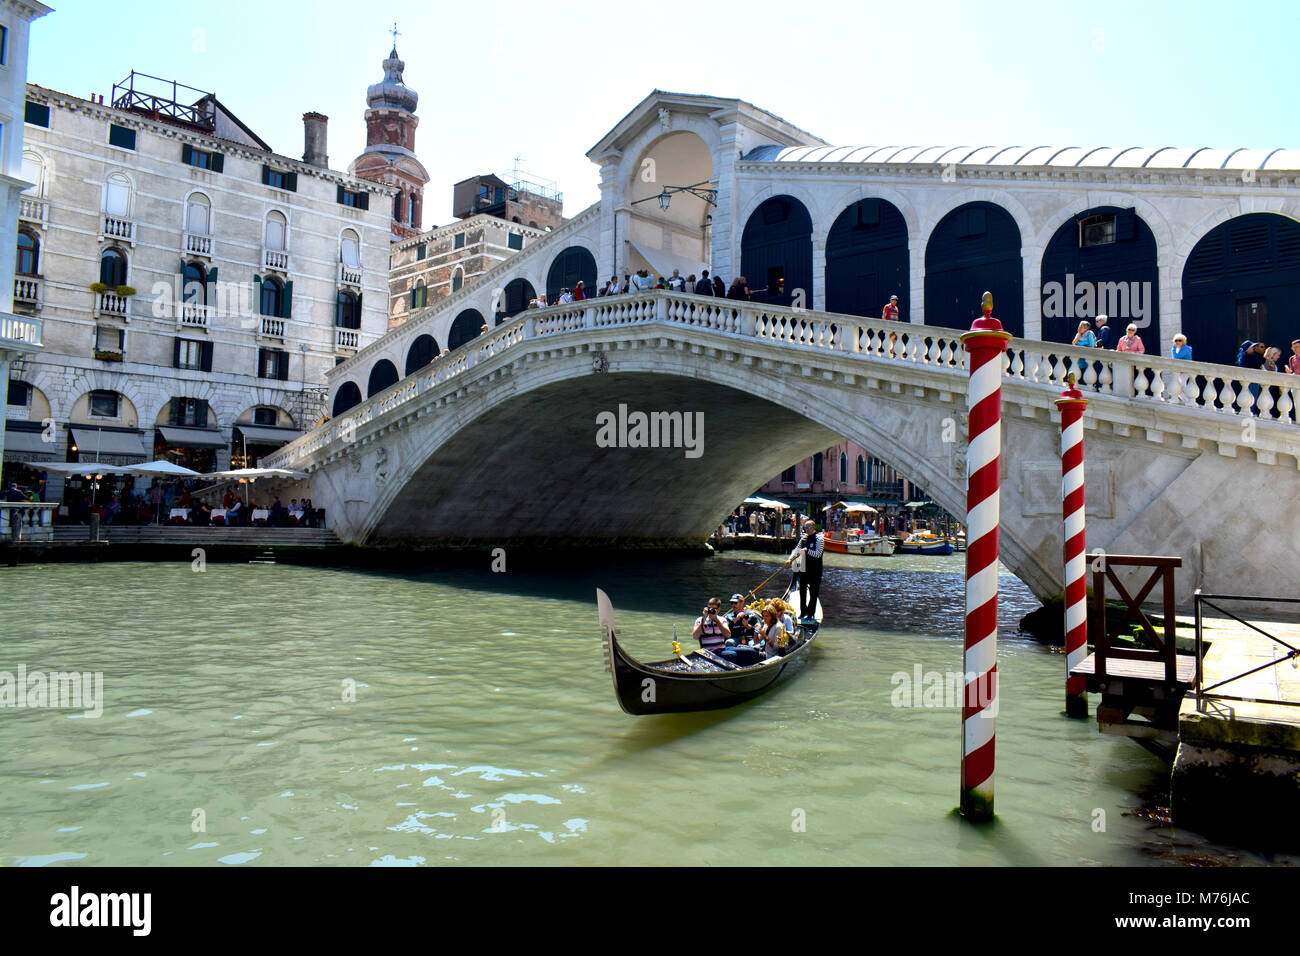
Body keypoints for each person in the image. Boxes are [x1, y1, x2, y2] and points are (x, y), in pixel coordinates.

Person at [783, 519, 824, 624]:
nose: (807, 530)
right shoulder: (803, 538)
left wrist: (807, 550)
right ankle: (803, 611)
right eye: (805, 528)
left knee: (813, 593)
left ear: (814, 527)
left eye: (809, 527)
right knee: (802, 592)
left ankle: (811, 613)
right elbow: (797, 550)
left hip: (815, 570)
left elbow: (818, 554)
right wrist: (790, 559)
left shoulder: (819, 539)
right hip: (803, 569)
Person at [1169, 333, 1194, 404]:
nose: (1177, 342)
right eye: (1176, 340)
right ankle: (1186, 401)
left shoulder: (1186, 349)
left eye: (1180, 340)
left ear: (1183, 341)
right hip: (1180, 370)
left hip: (1185, 370)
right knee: (1180, 386)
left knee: (1181, 386)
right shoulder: (1178, 349)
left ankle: (1188, 401)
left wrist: (1173, 348)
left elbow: (1176, 357)